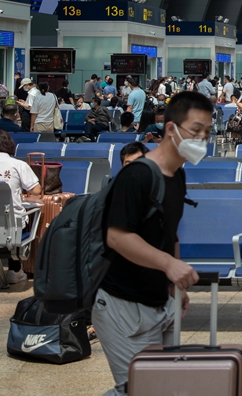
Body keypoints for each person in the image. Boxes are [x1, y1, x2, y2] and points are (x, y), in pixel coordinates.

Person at [92, 92, 213, 396]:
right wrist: (168, 265)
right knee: (140, 388)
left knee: (160, 386)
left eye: (207, 132)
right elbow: (117, 237)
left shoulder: (177, 176)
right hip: (122, 305)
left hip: (159, 301)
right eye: (195, 131)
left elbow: (168, 233)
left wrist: (174, 287)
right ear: (170, 129)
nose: (202, 139)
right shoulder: (136, 177)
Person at [0, 130, 42, 283]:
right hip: (12, 229)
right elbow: (37, 190)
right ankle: (15, 269)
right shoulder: (18, 165)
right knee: (21, 214)